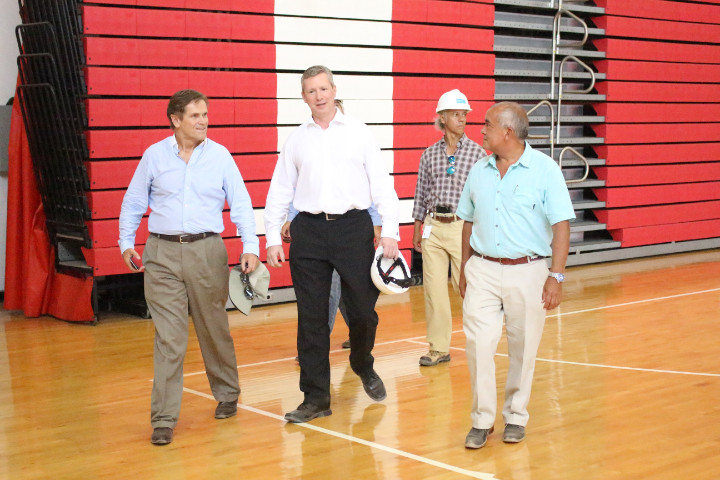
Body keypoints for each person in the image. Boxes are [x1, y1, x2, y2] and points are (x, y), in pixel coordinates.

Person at [118, 89, 260, 445]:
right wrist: (125, 242)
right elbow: (134, 201)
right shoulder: (153, 156)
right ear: (175, 120)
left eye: (206, 115)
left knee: (214, 328)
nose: (203, 122)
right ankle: (163, 419)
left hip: (207, 251)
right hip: (161, 254)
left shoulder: (221, 156)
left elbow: (241, 202)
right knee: (169, 338)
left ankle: (227, 393)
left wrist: (250, 246)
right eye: (196, 116)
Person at [264, 65, 400, 424]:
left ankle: (361, 362)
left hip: (353, 228)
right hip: (308, 231)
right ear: (304, 97)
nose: (319, 96)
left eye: (323, 89)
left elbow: (382, 184)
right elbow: (280, 189)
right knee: (310, 318)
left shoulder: (360, 133)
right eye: (311, 91)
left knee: (362, 312)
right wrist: (271, 237)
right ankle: (315, 397)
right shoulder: (296, 139)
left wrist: (391, 230)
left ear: (334, 90)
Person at [456, 101, 574, 449]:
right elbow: (467, 219)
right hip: (482, 269)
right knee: (478, 344)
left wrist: (557, 276)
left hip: (529, 270)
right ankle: (481, 420)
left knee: (523, 348)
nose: (481, 130)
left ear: (507, 132)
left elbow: (561, 224)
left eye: (487, 125)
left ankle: (516, 416)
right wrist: (464, 268)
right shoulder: (478, 170)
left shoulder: (545, 170)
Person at [411, 89, 487, 367]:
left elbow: (484, 196)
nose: (462, 119)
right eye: (456, 114)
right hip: (433, 226)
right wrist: (417, 227)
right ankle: (438, 348)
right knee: (433, 291)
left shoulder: (479, 153)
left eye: (464, 114)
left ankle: (481, 342)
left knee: (468, 287)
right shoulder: (429, 154)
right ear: (442, 118)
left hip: (461, 227)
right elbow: (421, 192)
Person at [282, 202, 382, 348]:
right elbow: (301, 190)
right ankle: (318, 344)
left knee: (349, 295)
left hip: (352, 230)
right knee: (331, 293)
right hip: (315, 230)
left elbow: (369, 192)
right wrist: (291, 218)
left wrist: (376, 222)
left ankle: (357, 340)